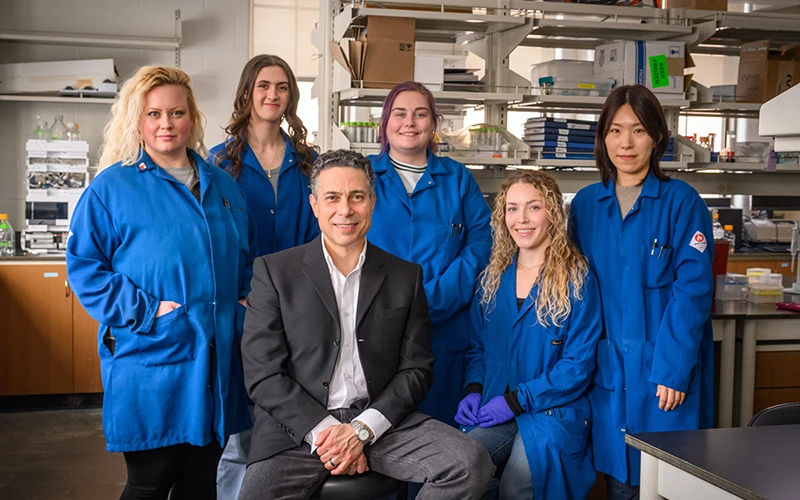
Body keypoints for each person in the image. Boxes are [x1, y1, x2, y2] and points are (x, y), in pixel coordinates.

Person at [238, 149, 495, 500]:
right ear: (314, 205)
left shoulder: (406, 277)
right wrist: (329, 433)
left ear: (372, 202)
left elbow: (417, 370)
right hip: (296, 429)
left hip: (381, 420)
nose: (345, 210)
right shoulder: (274, 272)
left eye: (356, 197)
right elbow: (263, 375)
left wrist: (361, 430)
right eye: (332, 198)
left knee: (470, 463)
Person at [66, 65, 255, 500]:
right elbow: (86, 269)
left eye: (176, 112)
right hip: (153, 357)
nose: (166, 124)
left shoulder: (222, 185)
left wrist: (245, 301)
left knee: (201, 484)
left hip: (217, 361)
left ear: (192, 118)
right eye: (154, 114)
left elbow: (247, 255)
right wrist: (148, 311)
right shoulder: (113, 188)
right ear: (138, 120)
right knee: (149, 483)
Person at [568, 85, 715, 499]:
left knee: (671, 480)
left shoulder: (682, 203)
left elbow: (693, 292)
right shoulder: (585, 205)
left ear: (657, 137)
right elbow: (575, 291)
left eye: (638, 130)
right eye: (615, 131)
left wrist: (672, 368)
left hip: (664, 374)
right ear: (603, 138)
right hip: (608, 371)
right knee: (620, 483)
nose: (626, 143)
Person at [208, 54, 319, 499]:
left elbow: (320, 236)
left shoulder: (308, 161)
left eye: (282, 87)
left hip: (300, 305)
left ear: (291, 96)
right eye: (263, 86)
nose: (273, 95)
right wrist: (238, 294)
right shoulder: (219, 162)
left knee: (298, 412)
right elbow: (215, 240)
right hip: (245, 305)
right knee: (240, 425)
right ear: (248, 93)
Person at [458, 170, 602, 500]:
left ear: (552, 212)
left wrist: (518, 399)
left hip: (554, 413)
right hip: (496, 402)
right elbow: (478, 347)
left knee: (518, 482)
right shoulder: (493, 277)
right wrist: (474, 388)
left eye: (533, 207)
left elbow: (577, 366)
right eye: (512, 208)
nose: (521, 219)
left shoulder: (578, 280)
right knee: (462, 464)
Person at [366, 81, 492, 426]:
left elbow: (482, 242)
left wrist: (435, 297)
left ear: (433, 124)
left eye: (420, 114)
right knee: (378, 437)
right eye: (400, 113)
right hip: (375, 326)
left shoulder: (457, 179)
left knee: (441, 442)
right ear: (385, 122)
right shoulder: (362, 176)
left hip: (445, 330)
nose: (410, 122)